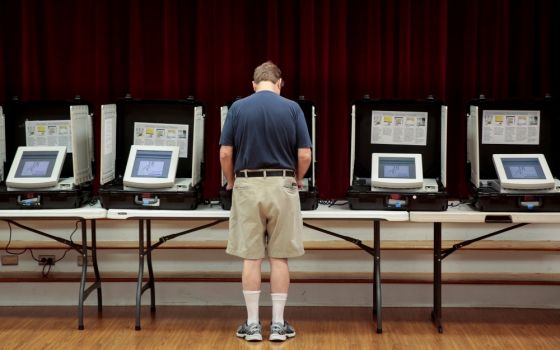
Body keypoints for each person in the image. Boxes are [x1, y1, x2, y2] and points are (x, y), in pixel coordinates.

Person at [219, 61, 312, 342]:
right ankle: (279, 326)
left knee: (252, 258)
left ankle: (252, 325)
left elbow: (225, 153)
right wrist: (296, 179)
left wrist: (232, 181)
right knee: (279, 257)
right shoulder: (292, 108)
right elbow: (305, 154)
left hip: (246, 184)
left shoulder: (237, 108)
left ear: (253, 84)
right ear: (280, 83)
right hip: (282, 183)